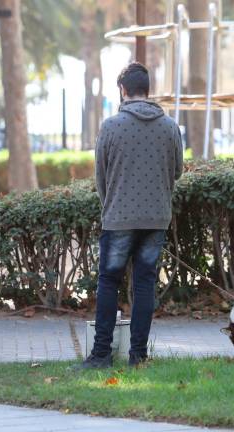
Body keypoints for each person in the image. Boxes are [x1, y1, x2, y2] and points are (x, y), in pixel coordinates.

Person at [74, 62, 183, 369]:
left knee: (109, 282)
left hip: (118, 216)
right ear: (147, 89)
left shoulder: (110, 127)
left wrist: (112, 205)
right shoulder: (170, 126)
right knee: (145, 284)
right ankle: (138, 356)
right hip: (156, 218)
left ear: (122, 90)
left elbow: (101, 177)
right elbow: (176, 172)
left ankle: (101, 354)